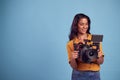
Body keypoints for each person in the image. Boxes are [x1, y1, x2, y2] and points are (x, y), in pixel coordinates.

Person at [66, 13, 104, 80]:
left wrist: (99, 56)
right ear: (76, 25)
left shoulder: (96, 38)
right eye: (81, 24)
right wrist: (72, 58)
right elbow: (74, 67)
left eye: (86, 24)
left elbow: (101, 62)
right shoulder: (71, 43)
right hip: (79, 74)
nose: (85, 27)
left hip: (95, 74)